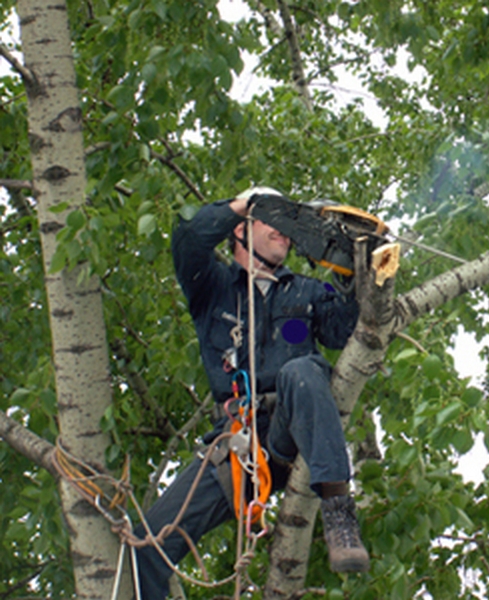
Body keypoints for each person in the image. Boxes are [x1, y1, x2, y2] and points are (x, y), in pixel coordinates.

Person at [133, 187, 370, 599]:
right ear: (242, 229)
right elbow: (188, 236)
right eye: (274, 221)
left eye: (290, 227)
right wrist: (248, 201)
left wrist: (351, 274)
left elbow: (342, 330)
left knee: (303, 370)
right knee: (145, 548)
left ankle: (337, 508)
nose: (286, 233)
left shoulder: (308, 292)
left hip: (290, 429)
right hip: (237, 446)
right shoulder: (213, 287)